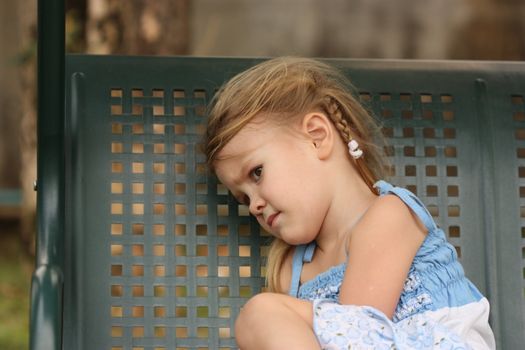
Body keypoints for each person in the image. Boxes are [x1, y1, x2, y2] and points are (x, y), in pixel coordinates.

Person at [203, 57, 495, 349]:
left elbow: (360, 336)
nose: (253, 205)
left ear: (316, 137)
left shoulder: (388, 217)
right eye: (242, 197)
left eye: (257, 173)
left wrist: (271, 317)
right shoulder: (289, 270)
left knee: (261, 314)